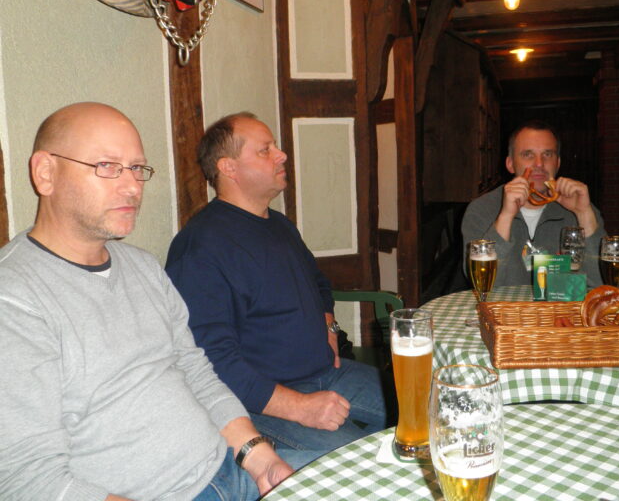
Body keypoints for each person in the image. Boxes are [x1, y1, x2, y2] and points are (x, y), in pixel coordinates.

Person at [0, 103, 293, 501]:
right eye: (107, 166)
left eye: (137, 168)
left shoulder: (143, 267)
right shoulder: (13, 297)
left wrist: (259, 458)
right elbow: (28, 480)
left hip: (231, 469)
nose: (132, 187)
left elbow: (196, 372)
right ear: (45, 173)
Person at [165, 112, 388, 469]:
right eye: (265, 150)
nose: (281, 154)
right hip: (264, 402)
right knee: (365, 464)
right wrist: (299, 407)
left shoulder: (279, 224)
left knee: (429, 407)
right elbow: (210, 361)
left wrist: (329, 324)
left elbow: (318, 281)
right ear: (229, 167)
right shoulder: (201, 247)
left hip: (329, 372)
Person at [461, 120, 606, 288]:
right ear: (510, 164)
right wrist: (506, 216)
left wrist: (584, 214)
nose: (539, 163)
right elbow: (480, 284)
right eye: (527, 154)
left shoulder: (580, 208)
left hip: (559, 305)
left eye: (547, 154)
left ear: (558, 163)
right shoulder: (481, 210)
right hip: (503, 305)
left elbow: (601, 282)